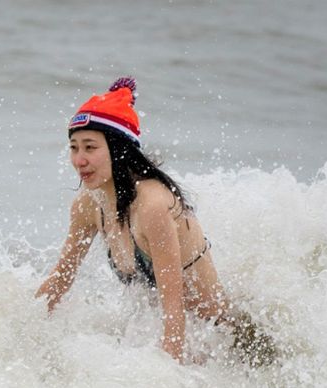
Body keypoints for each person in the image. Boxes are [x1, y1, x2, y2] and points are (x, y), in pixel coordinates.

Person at [35, 77, 275, 365]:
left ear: (118, 148)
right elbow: (61, 279)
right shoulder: (89, 204)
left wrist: (165, 381)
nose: (79, 159)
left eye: (90, 147)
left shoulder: (152, 205)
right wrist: (21, 327)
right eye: (74, 147)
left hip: (226, 342)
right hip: (180, 337)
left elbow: (173, 308)